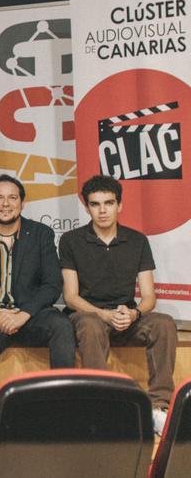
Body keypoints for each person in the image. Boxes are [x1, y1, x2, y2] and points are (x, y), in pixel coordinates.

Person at [0, 174, 74, 457]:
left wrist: (23, 314)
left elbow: (52, 285)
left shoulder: (41, 235)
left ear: (23, 203)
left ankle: (63, 419)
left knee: (62, 327)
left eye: (12, 197)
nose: (6, 204)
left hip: (28, 314)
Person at [60, 174, 177, 435]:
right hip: (89, 313)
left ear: (119, 205)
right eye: (95, 204)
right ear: (87, 206)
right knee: (90, 325)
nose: (102, 210)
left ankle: (160, 407)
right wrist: (103, 314)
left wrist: (133, 313)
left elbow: (149, 296)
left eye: (108, 203)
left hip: (126, 314)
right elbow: (71, 297)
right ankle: (104, 407)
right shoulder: (71, 240)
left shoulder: (137, 240)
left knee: (164, 323)